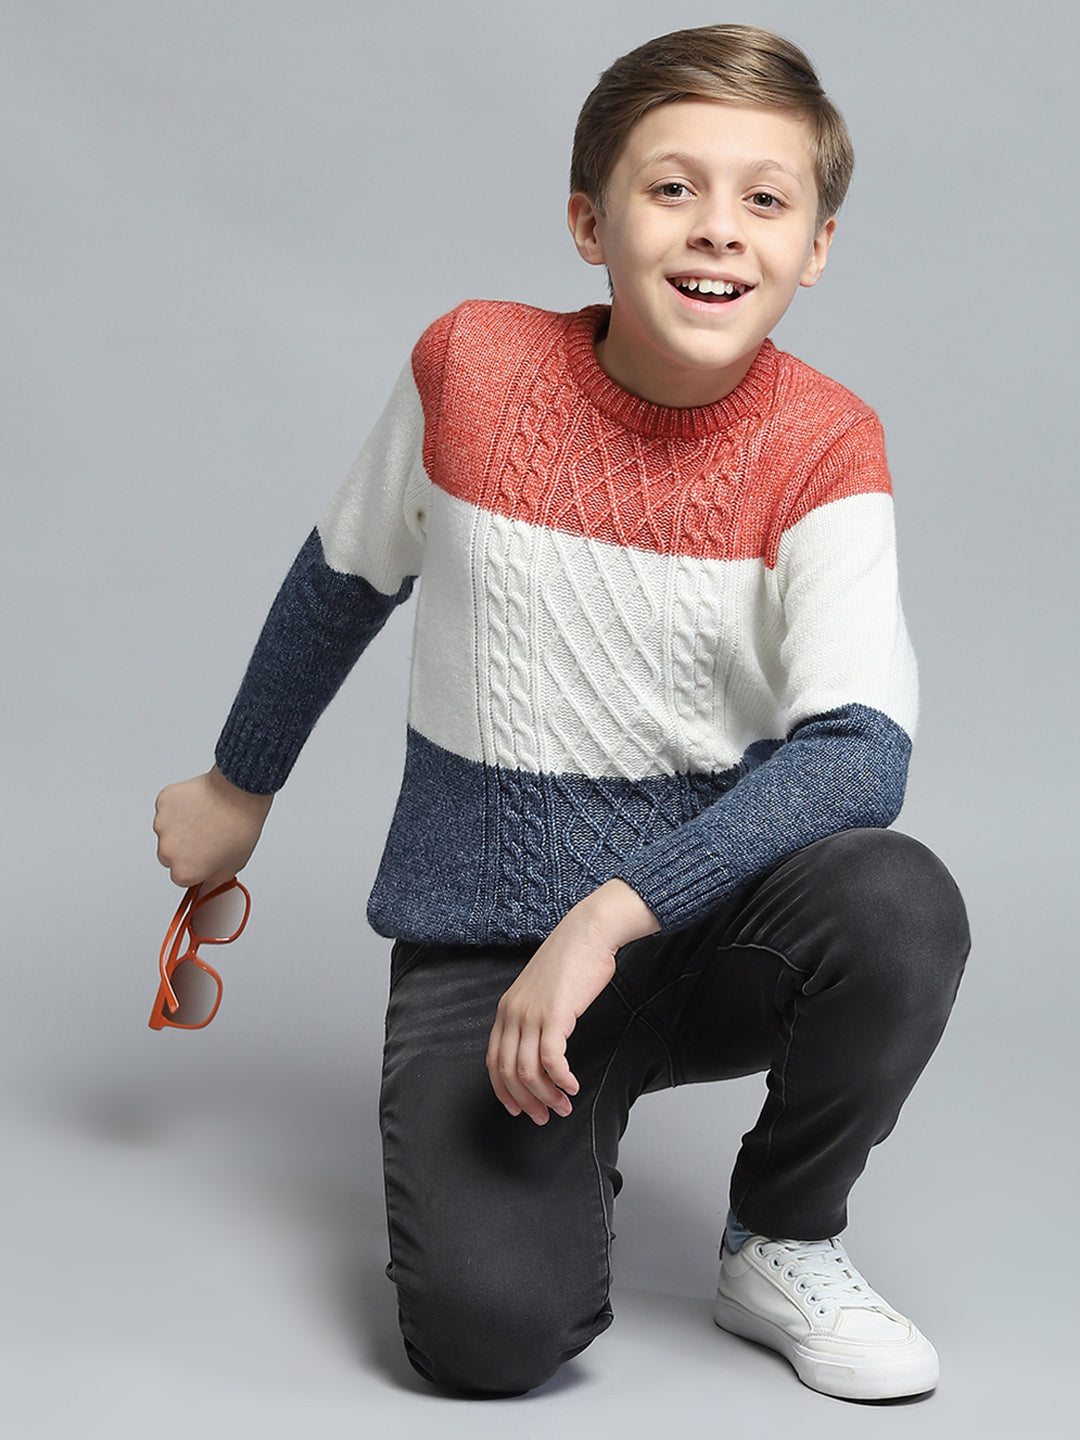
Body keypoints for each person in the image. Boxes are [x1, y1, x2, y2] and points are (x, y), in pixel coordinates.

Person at [154, 24, 970, 1403]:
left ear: (817, 245)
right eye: (673, 187)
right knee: (486, 1343)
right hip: (490, 942)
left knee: (898, 903)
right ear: (591, 221)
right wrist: (241, 785)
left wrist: (604, 917)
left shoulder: (829, 443)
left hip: (705, 929)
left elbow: (859, 757)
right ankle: (558, 1147)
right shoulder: (470, 366)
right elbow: (344, 577)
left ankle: (783, 1235)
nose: (719, 230)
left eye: (766, 199)